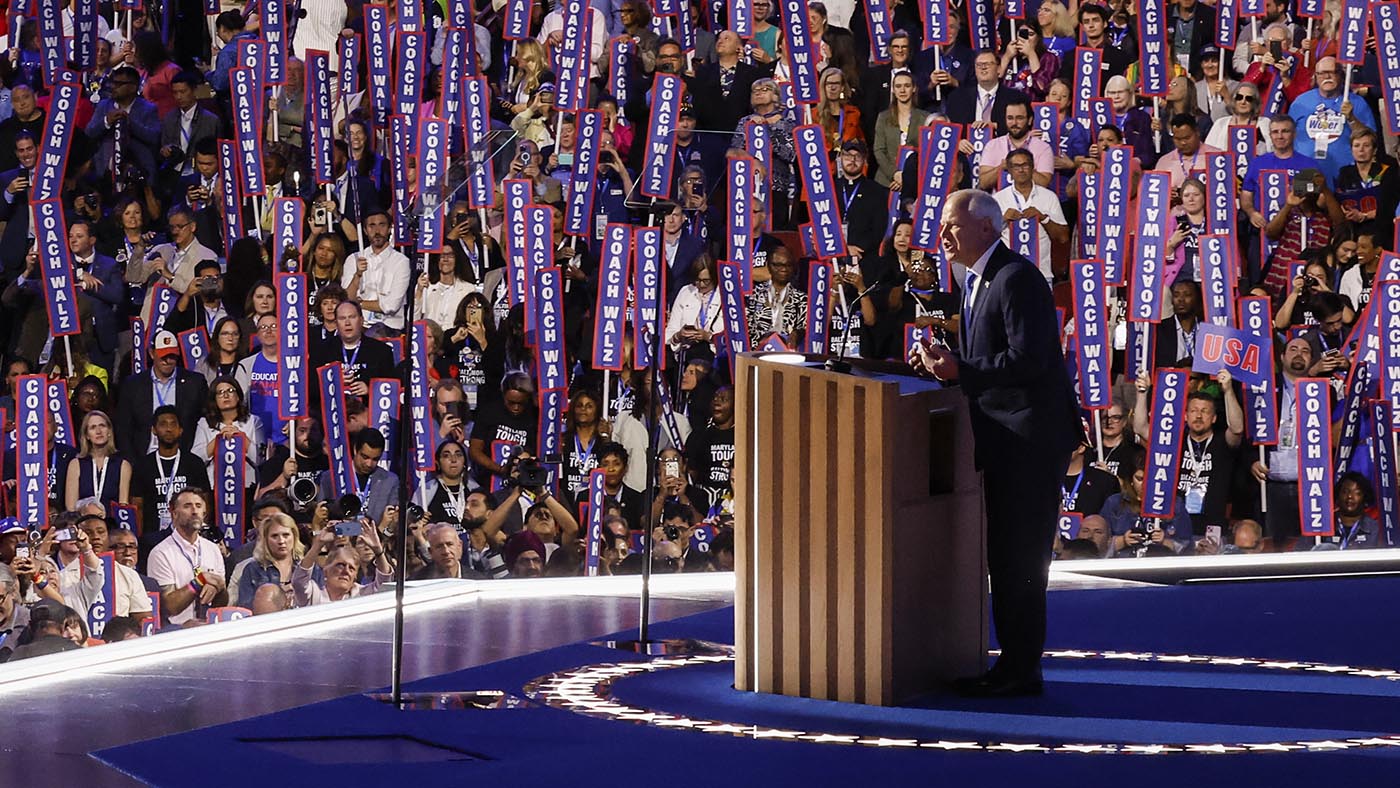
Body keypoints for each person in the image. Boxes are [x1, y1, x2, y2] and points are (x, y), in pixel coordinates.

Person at [909, 189, 1081, 697]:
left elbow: (1030, 359)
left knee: (1021, 560)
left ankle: (1021, 670)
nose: (941, 236)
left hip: (1027, 440)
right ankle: (1012, 664)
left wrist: (963, 369)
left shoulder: (1017, 277)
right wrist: (948, 369)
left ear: (986, 227)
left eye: (951, 226)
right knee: (1007, 559)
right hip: (1003, 438)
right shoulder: (974, 280)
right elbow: (987, 358)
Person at [146, 487, 227, 626]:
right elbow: (169, 607)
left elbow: (222, 603)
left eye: (198, 506)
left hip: (211, 629)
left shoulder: (213, 549)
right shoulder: (160, 553)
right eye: (187, 506)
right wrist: (200, 581)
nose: (194, 511)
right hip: (176, 633)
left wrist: (219, 588)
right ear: (174, 513)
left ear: (204, 513)